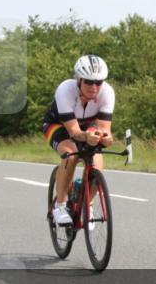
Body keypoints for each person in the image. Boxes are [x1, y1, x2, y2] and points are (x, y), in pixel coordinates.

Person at [42, 55, 115, 225]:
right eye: (89, 82)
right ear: (79, 79)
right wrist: (86, 137)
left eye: (99, 82)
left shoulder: (107, 92)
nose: (94, 87)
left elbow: (104, 128)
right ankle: (60, 205)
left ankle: (86, 203)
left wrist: (106, 138)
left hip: (88, 126)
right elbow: (73, 131)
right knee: (71, 154)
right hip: (58, 125)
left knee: (97, 164)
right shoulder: (65, 90)